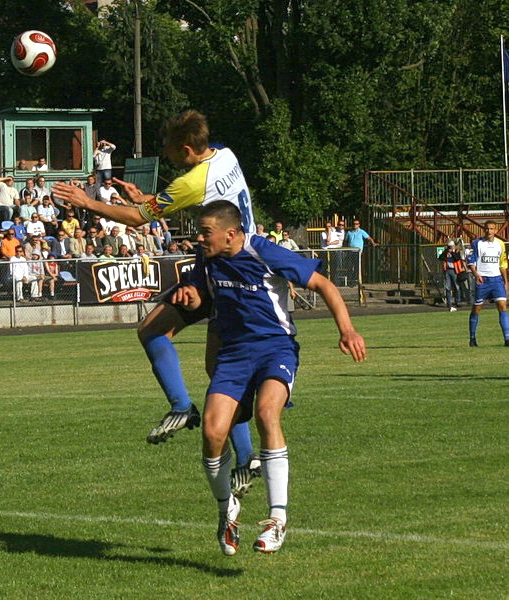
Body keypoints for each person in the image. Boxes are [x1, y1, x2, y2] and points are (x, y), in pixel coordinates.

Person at [52, 109, 261, 492]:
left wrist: (87, 201)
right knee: (208, 366)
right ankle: (241, 455)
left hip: (226, 275)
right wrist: (149, 200)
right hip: (231, 266)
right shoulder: (224, 155)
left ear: (185, 148)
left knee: (164, 338)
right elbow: (178, 201)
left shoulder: (192, 182)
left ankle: (191, 414)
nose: (166, 157)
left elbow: (135, 219)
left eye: (168, 150)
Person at [171, 201, 366, 555]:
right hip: (232, 353)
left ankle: (278, 519)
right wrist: (190, 294)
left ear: (231, 233)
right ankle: (226, 509)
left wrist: (347, 330)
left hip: (275, 348)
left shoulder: (263, 252)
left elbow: (323, 284)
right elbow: (200, 292)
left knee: (266, 413)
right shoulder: (207, 257)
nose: (198, 238)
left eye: (205, 232)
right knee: (213, 431)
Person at [467, 220, 509, 346]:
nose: (489, 231)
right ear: (483, 230)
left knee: (502, 307)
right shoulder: (477, 243)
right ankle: (472, 338)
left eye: (491, 229)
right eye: (487, 228)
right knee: (477, 309)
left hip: (496, 280)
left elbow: (502, 264)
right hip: (483, 280)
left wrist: (505, 281)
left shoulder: (500, 244)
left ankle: (507, 339)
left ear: (495, 230)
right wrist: (476, 274)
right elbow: (471, 261)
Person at [439, 240, 465, 312]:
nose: (449, 248)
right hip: (447, 270)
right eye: (448, 247)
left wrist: (452, 252)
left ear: (453, 246)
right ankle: (449, 303)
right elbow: (440, 258)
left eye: (451, 246)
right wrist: (446, 252)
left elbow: (457, 258)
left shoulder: (456, 251)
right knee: (448, 287)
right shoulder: (446, 252)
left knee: (456, 287)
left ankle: (458, 302)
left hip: (455, 270)